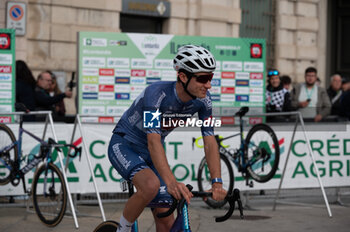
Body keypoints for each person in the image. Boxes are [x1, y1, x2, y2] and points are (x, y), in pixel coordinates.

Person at [108, 45, 226, 232]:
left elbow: (210, 140)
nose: (209, 84)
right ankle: (122, 229)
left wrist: (217, 182)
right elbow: (153, 140)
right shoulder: (156, 95)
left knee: (166, 218)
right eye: (203, 78)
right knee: (151, 186)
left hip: (150, 152)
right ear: (183, 76)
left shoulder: (204, 101)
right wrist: (171, 183)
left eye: (210, 77)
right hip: (125, 144)